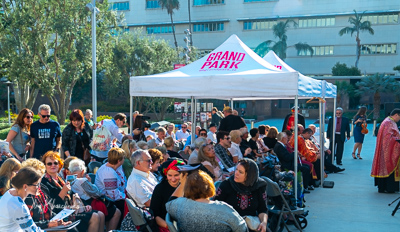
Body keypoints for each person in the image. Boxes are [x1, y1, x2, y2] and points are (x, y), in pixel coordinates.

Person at [40, 151, 104, 232]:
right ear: (45, 166)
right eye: (49, 164)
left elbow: (73, 194)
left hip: (70, 210)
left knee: (101, 214)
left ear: (59, 164)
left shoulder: (60, 179)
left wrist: (84, 205)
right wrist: (63, 192)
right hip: (60, 215)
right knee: (95, 217)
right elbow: (50, 206)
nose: (53, 165)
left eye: (55, 163)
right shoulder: (44, 183)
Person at [166, 170, 247, 232]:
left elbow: (169, 203)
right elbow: (242, 229)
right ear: (210, 187)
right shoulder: (224, 209)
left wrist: (182, 184)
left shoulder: (179, 205)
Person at [0, 167, 69, 231]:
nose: (39, 187)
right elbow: (32, 230)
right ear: (25, 186)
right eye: (37, 184)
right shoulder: (19, 206)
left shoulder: (10, 192)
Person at [215, 159, 269, 232]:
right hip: (229, 225)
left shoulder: (259, 186)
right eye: (236, 169)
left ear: (250, 175)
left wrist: (263, 223)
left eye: (240, 172)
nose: (236, 173)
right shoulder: (227, 184)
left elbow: (262, 209)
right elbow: (216, 206)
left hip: (250, 223)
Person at [69, 159, 121, 231]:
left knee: (107, 212)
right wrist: (90, 183)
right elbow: (96, 193)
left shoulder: (70, 180)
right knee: (117, 212)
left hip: (84, 204)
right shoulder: (82, 180)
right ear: (83, 171)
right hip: (90, 204)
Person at [150, 158, 185, 231]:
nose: (173, 179)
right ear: (166, 175)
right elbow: (155, 214)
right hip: (166, 225)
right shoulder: (160, 188)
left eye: (176, 175)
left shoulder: (189, 187)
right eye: (170, 175)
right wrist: (169, 227)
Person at [371, 108, 400, 193]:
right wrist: (397, 140)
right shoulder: (389, 123)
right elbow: (388, 138)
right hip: (388, 151)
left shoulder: (388, 121)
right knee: (388, 166)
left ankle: (386, 187)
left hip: (385, 150)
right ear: (396, 115)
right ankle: (389, 187)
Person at [95, 148, 127, 217]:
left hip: (116, 197)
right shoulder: (108, 173)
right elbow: (113, 195)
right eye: (123, 158)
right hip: (107, 201)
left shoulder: (117, 167)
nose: (124, 160)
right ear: (119, 161)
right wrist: (127, 197)